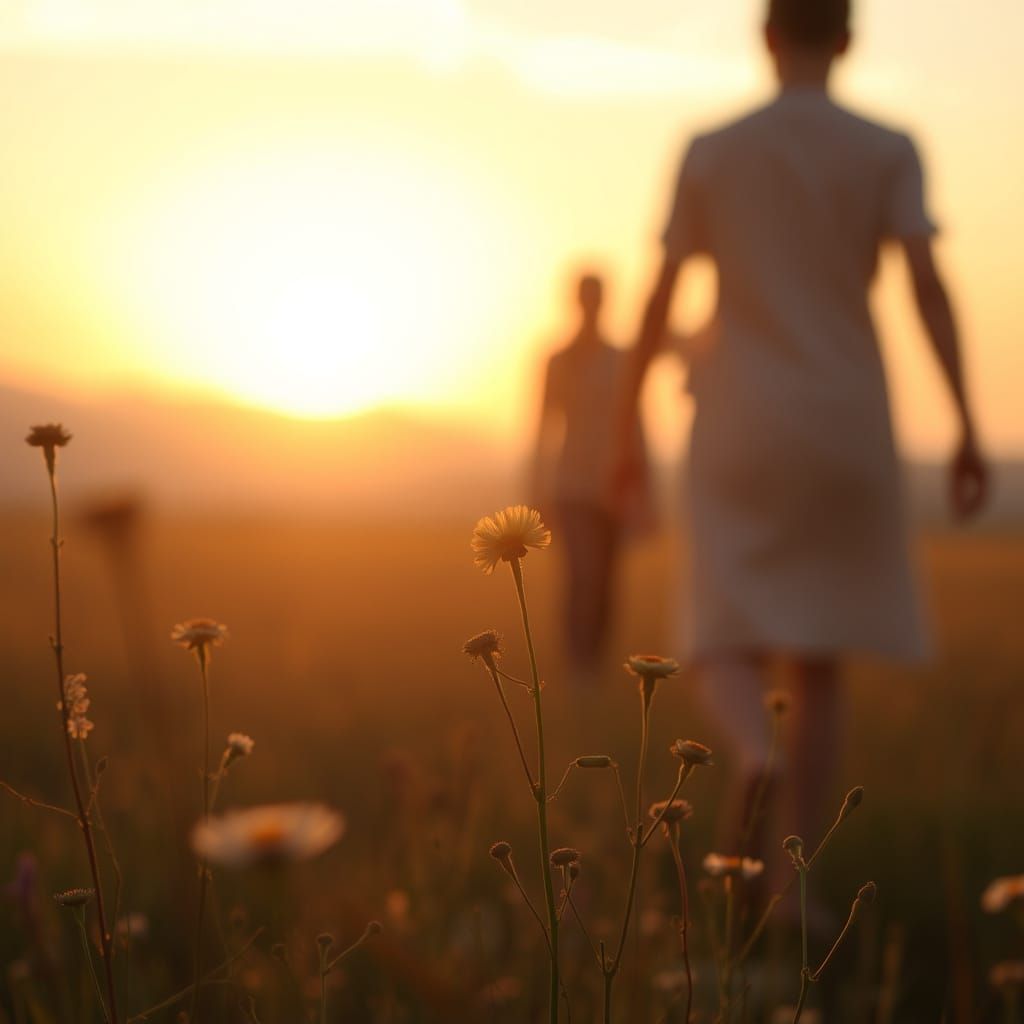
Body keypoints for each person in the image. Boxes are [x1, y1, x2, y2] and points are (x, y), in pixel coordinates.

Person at [614, 0, 988, 869]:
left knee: (721, 630)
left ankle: (753, 749)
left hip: (739, 415)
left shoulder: (713, 148)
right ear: (848, 40)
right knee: (817, 661)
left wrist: (624, 422)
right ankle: (795, 886)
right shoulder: (888, 147)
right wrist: (967, 421)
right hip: (845, 418)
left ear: (768, 36)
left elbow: (661, 293)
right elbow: (927, 285)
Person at [532, 272, 653, 685]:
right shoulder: (558, 360)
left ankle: (595, 667)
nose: (591, 305)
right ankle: (577, 666)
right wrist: (536, 488)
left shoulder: (622, 360)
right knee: (581, 577)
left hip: (613, 486)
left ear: (603, 302)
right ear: (576, 302)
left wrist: (644, 491)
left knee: (606, 582)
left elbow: (636, 424)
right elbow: (543, 425)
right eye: (586, 298)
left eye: (596, 298)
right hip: (571, 486)